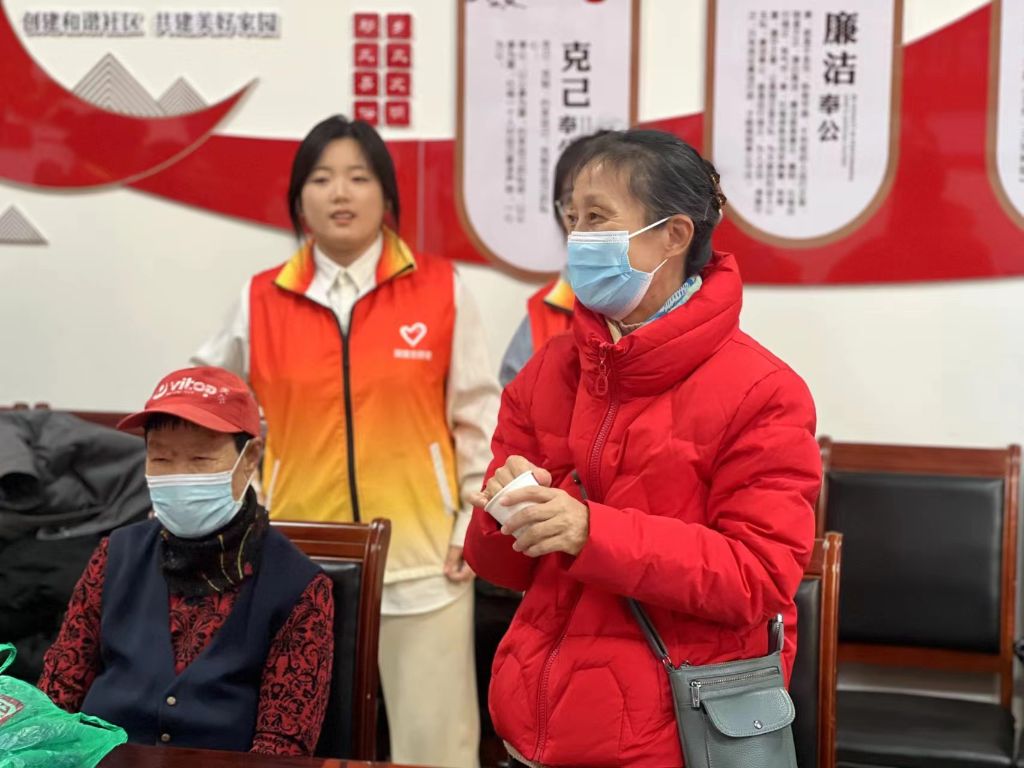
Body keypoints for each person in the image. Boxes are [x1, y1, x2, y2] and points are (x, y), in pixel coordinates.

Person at [464, 130, 820, 767]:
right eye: (573, 218)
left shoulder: (764, 392)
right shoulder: (548, 371)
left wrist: (591, 532)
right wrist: (502, 510)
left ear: (674, 235)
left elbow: (759, 577)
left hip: (676, 731)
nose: (578, 238)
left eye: (598, 218)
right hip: (531, 724)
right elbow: (501, 570)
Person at [193, 115, 499, 767]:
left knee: (436, 749)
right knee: (300, 742)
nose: (340, 193)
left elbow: (479, 416)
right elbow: (210, 411)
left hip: (424, 561)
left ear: (386, 194)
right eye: (321, 178)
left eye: (359, 177)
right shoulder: (259, 298)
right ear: (298, 198)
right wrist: (238, 511)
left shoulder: (442, 289)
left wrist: (473, 521)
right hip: (297, 561)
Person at [38, 366, 334, 756]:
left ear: (250, 458)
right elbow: (57, 697)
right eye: (161, 458)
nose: (179, 476)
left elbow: (281, 749)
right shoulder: (114, 557)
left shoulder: (298, 586)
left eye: (200, 458)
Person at [498, 131, 608, 387]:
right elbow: (513, 402)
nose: (584, 221)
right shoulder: (543, 314)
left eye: (598, 207)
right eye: (572, 204)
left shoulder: (671, 301)